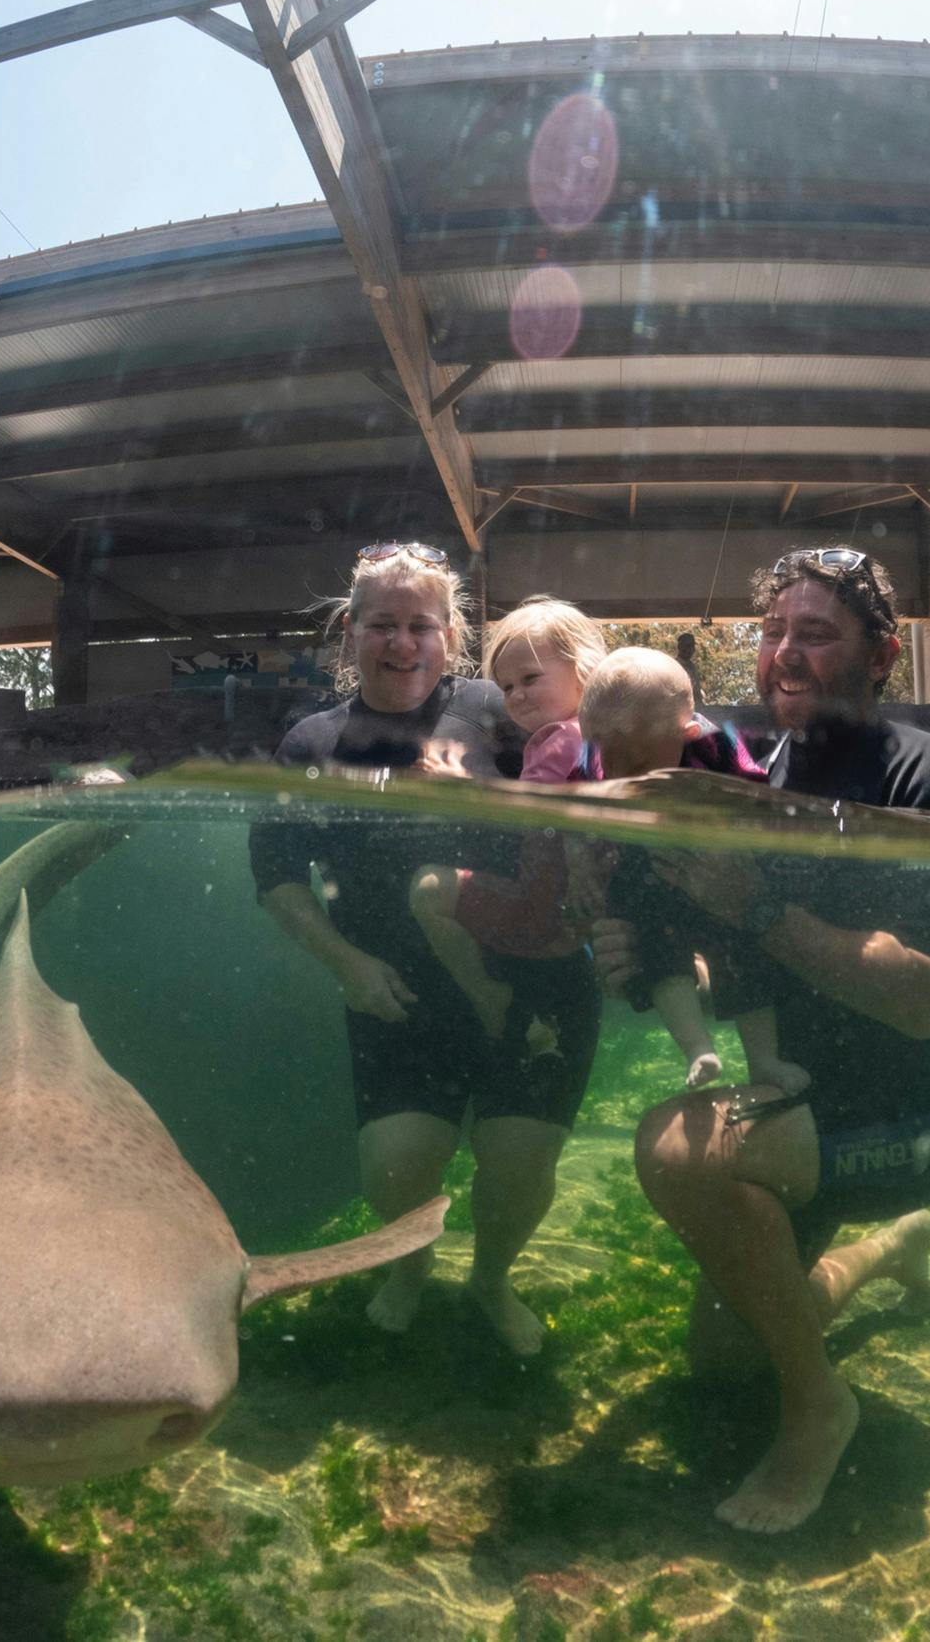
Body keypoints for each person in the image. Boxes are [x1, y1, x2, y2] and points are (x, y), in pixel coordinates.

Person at [595, 546, 930, 1535]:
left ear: (880, 653)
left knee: (671, 1148)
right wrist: (647, 963)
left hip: (921, 1115)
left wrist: (755, 902)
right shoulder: (749, 772)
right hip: (800, 1101)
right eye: (773, 634)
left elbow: (918, 1001)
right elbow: (729, 960)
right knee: (725, 1359)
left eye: (815, 634)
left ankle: (821, 1410)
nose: (784, 654)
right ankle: (893, 1249)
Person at [250, 545, 601, 1357]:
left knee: (517, 1167)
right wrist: (347, 964)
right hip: (395, 995)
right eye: (382, 625)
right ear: (350, 630)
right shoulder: (311, 742)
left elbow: (594, 768)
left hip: (533, 987)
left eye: (420, 626)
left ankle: (490, 1277)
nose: (402, 644)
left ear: (451, 634)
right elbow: (273, 874)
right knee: (397, 1166)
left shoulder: (502, 709)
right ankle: (407, 1268)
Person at [575, 647, 808, 1098]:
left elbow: (754, 794)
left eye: (638, 764)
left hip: (713, 863)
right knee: (654, 947)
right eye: (610, 760)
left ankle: (765, 1060)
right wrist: (582, 861)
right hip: (642, 869)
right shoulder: (593, 757)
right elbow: (575, 813)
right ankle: (697, 1048)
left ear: (688, 732)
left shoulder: (717, 744)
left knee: (751, 950)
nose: (623, 777)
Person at [409, 596, 607, 1039]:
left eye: (530, 679)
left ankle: (485, 992)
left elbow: (524, 810)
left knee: (427, 891)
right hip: (578, 924)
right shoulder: (597, 738)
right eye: (507, 686)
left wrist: (463, 786)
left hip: (543, 913)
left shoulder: (560, 740)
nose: (515, 695)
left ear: (585, 668)